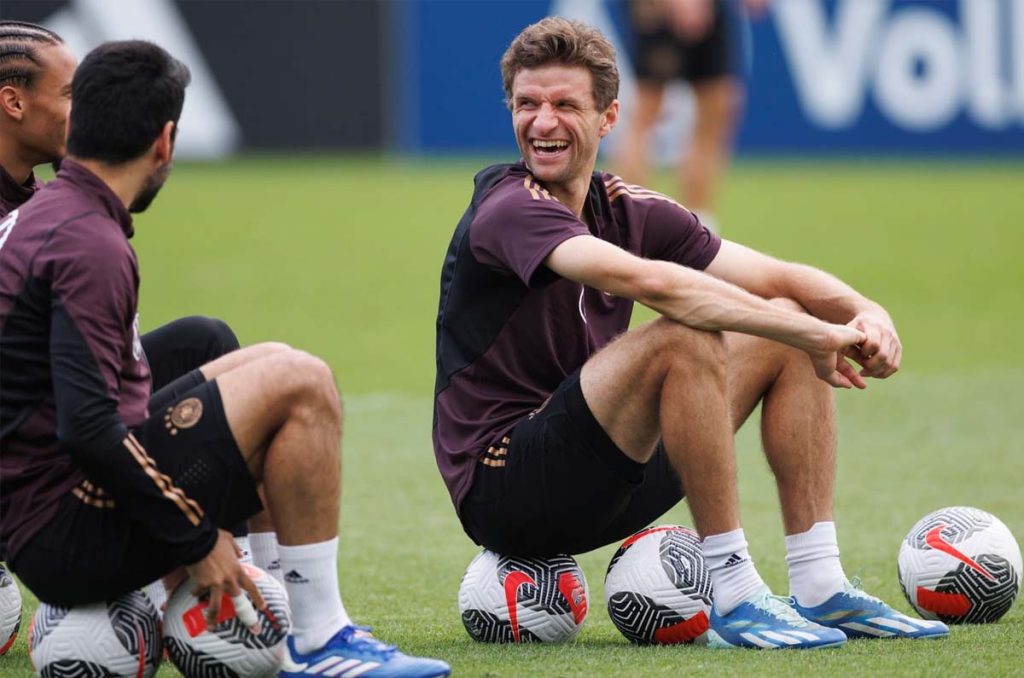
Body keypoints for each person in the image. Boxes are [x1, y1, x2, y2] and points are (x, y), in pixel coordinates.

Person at [433, 17, 948, 649]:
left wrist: (865, 311)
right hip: (507, 485)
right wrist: (813, 331)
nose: (542, 122)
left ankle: (820, 584)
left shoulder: (624, 205)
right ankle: (734, 594)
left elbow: (773, 275)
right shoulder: (508, 208)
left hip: (605, 471)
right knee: (689, 333)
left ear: (608, 117)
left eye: (565, 104)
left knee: (781, 318)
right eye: (527, 104)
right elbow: (656, 285)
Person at [0, 40, 450, 676]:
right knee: (302, 382)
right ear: (164, 143)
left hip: (39, 515)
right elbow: (90, 428)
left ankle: (275, 597)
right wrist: (196, 539)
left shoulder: (53, 210)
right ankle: (318, 641)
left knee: (259, 357)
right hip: (65, 536)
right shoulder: (87, 242)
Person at [0, 20, 259, 605]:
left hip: (48, 425)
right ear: (14, 103)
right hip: (25, 463)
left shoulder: (49, 198)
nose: (84, 112)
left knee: (205, 344)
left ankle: (253, 576)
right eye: (71, 94)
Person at [616, 0, 767, 232]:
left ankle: (697, 223)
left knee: (715, 113)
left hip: (712, 10)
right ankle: (628, 219)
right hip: (658, 9)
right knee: (646, 114)